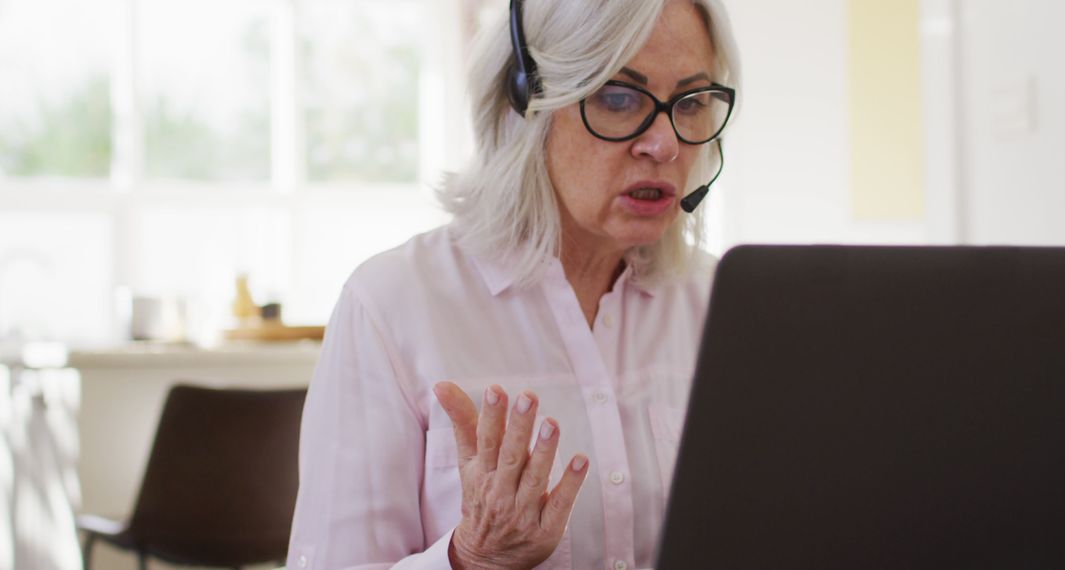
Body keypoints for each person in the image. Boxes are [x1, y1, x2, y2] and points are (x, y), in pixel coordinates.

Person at [286, 0, 739, 567]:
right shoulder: (391, 305)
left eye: (693, 102)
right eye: (619, 98)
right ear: (524, 101)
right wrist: (467, 558)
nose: (666, 145)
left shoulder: (725, 306)